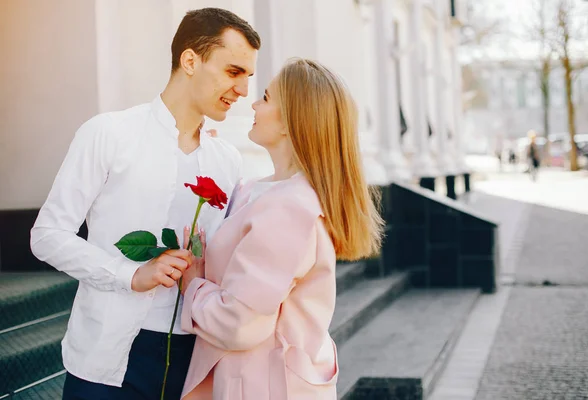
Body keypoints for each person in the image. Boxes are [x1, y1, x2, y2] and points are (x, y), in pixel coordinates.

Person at [30, 8, 260, 399]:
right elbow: (47, 235)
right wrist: (129, 274)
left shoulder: (227, 159)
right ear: (190, 60)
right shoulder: (108, 133)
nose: (243, 90)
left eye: (248, 78)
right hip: (107, 357)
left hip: (193, 357)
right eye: (233, 72)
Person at [179, 59, 385, 399]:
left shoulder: (290, 206)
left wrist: (193, 287)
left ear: (292, 120)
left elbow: (239, 323)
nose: (254, 104)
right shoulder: (267, 191)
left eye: (265, 97)